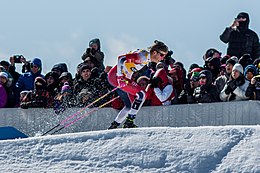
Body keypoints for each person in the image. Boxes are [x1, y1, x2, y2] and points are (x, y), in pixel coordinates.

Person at [107, 40, 168, 129]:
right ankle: (129, 122)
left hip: (122, 77)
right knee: (142, 95)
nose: (162, 58)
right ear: (155, 52)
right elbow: (121, 58)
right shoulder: (143, 57)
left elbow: (128, 66)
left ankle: (114, 125)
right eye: (162, 55)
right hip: (115, 76)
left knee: (131, 105)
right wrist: (120, 77)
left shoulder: (146, 59)